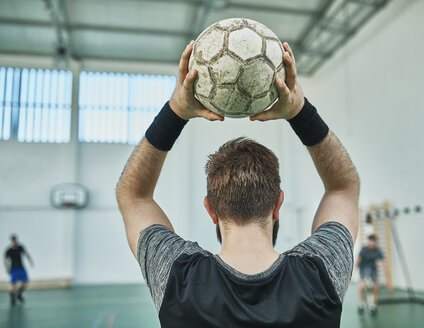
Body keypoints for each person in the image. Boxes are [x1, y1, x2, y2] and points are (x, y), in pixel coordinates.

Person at [116, 40, 360, 327]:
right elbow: (343, 187)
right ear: (278, 203)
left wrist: (176, 110)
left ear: (211, 209)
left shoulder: (178, 277)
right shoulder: (319, 274)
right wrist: (300, 111)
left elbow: (133, 195)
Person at [354, 234, 392, 315]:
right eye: (370, 241)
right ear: (368, 242)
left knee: (375, 287)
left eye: (373, 241)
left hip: (373, 270)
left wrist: (387, 281)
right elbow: (357, 261)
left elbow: (383, 265)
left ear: (375, 243)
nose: (371, 243)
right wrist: (352, 275)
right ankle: (362, 304)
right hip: (363, 268)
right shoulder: (363, 250)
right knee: (362, 287)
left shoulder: (378, 251)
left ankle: (372, 306)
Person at [4, 234, 33, 306]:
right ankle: (12, 299)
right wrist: (7, 268)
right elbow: (5, 260)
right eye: (13, 240)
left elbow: (26, 254)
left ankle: (19, 295)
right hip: (13, 269)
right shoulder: (9, 250)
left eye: (16, 240)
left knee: (26, 283)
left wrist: (30, 261)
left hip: (21, 268)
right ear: (12, 241)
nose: (15, 241)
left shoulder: (20, 247)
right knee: (13, 285)